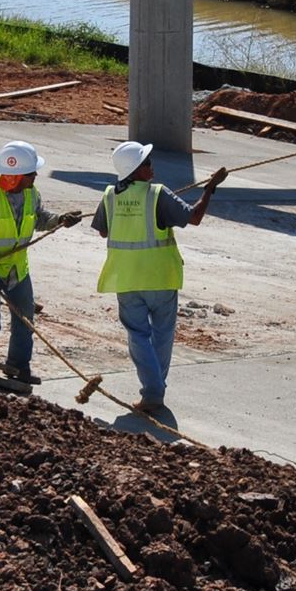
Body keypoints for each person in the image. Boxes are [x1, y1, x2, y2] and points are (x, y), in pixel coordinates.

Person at [94, 140, 219, 421]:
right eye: (147, 163)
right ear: (136, 170)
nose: (152, 167)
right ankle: (155, 391)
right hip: (160, 277)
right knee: (162, 335)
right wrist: (209, 189)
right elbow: (194, 217)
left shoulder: (110, 196)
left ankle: (153, 391)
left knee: (138, 336)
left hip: (126, 277)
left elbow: (103, 231)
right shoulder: (157, 194)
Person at [0, 140, 79, 388]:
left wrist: (59, 220)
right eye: (31, 173)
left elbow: (39, 218)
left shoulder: (31, 193)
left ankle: (18, 366)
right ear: (16, 176)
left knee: (25, 316)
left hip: (16, 267)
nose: (35, 176)